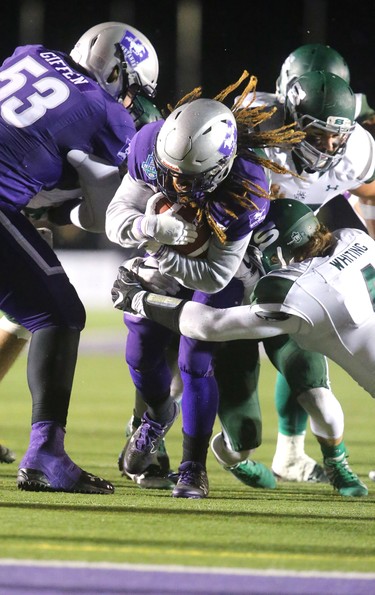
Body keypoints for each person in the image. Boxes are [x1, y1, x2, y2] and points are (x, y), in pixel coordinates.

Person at [106, 72, 305, 498]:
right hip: (174, 253)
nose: (177, 184)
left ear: (222, 166)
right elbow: (115, 216)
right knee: (139, 342)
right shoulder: (149, 145)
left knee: (195, 356)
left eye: (189, 177)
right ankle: (157, 416)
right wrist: (147, 224)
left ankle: (193, 466)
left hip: (224, 269)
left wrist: (160, 252)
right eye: (169, 172)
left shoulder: (247, 189)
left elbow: (216, 275)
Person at [111, 197, 372, 498]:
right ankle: (236, 460)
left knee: (320, 399)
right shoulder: (353, 238)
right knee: (243, 438)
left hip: (287, 316)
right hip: (283, 321)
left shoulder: (298, 289)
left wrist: (137, 299)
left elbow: (208, 325)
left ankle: (335, 463)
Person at [0, 20, 160, 493]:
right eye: (131, 91)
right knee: (58, 314)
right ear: (116, 73)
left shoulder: (26, 54)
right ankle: (45, 452)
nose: (129, 102)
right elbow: (109, 210)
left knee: (35, 294)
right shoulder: (104, 112)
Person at [218, 64, 375, 484]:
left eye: (335, 133)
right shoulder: (254, 130)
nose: (327, 145)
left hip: (297, 270)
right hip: (234, 269)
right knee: (197, 376)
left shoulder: (356, 151)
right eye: (317, 130)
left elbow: (368, 189)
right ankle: (170, 445)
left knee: (314, 374)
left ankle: (306, 455)